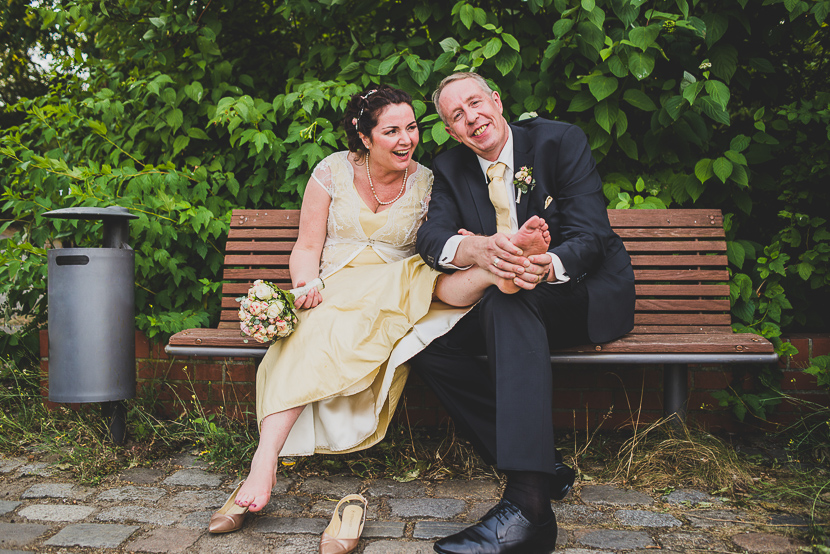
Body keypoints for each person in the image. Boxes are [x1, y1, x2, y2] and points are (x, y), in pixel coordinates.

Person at [207, 85, 553, 549]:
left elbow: (439, 241)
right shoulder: (330, 171)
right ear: (364, 137)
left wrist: (471, 243)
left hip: (397, 282)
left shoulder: (430, 180)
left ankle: (495, 269)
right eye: (391, 131)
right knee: (307, 333)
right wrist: (307, 284)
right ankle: (264, 460)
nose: (405, 139)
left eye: (411, 127)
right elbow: (307, 247)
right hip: (335, 287)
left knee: (425, 280)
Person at [411, 72, 636, 554]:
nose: (472, 118)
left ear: (497, 101)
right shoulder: (450, 167)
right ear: (451, 132)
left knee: (510, 296)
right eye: (457, 116)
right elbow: (431, 240)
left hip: (579, 290)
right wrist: (477, 249)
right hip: (506, 300)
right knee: (430, 350)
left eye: (475, 103)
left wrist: (543, 265)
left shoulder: (559, 141)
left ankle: (529, 509)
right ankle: (544, 467)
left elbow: (591, 236)